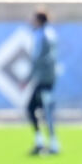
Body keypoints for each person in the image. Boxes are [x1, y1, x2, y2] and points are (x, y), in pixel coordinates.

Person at [25, 8, 60, 156]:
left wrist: (29, 78)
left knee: (35, 108)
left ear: (39, 20)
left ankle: (49, 143)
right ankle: (45, 142)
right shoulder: (51, 34)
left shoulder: (42, 35)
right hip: (49, 77)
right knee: (40, 109)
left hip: (44, 78)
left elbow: (38, 58)